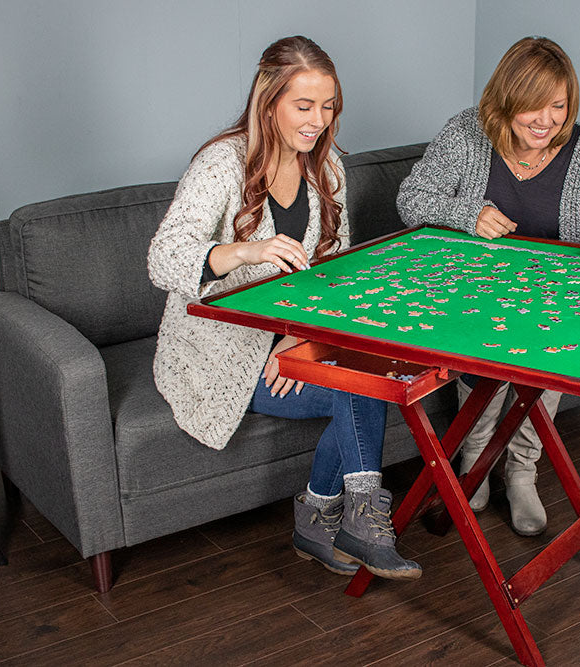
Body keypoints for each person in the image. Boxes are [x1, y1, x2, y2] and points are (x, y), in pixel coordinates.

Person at [148, 36, 420, 580]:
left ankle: (327, 519)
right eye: (303, 105)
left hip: (290, 340)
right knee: (358, 386)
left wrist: (300, 341)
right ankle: (338, 520)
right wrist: (245, 251)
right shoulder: (220, 164)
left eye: (328, 106)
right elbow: (163, 258)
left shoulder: (329, 169)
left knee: (373, 373)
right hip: (218, 354)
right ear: (268, 101)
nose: (317, 120)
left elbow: (331, 278)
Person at [396, 36, 580, 536]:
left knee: (548, 360)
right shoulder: (466, 132)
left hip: (553, 301)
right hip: (472, 293)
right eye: (534, 105)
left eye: (558, 106)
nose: (546, 119)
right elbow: (412, 199)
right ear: (506, 100)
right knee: (481, 357)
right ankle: (477, 463)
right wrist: (467, 214)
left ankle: (522, 471)